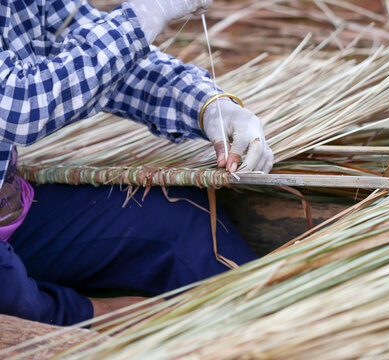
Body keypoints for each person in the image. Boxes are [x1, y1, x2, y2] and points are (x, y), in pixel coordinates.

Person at [0, 0, 273, 326]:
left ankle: (275, 325)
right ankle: (89, 317)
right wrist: (142, 16)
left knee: (179, 223)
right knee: (17, 297)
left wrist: (208, 106)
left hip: (12, 208)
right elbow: (18, 106)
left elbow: (106, 60)